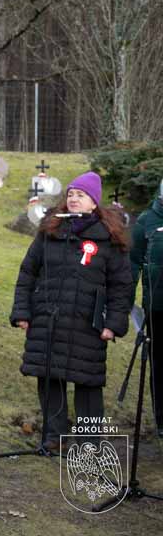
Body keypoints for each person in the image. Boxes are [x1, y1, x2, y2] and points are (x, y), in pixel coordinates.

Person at [10, 172, 131, 452]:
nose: (74, 199)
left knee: (88, 383)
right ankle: (55, 439)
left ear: (94, 202)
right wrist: (22, 312)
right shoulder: (50, 231)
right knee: (49, 377)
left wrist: (113, 323)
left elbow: (121, 285)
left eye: (81, 195)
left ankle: (90, 444)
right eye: (71, 194)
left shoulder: (108, 238)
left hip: (87, 323)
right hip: (48, 317)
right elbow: (28, 272)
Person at [129, 178, 163, 436]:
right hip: (157, 308)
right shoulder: (146, 221)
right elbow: (132, 263)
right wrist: (124, 302)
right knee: (159, 367)